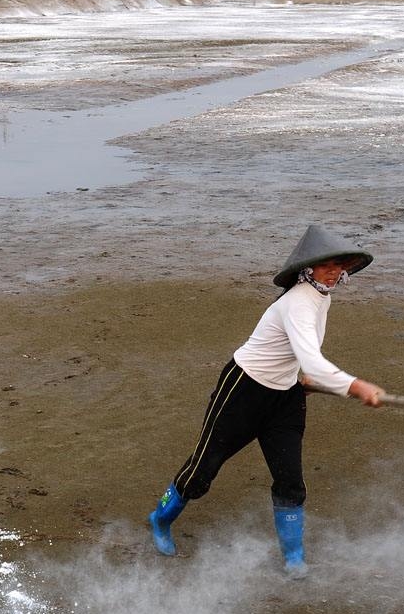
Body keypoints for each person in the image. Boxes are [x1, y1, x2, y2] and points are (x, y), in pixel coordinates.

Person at [148, 224, 385, 577]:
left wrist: (313, 381)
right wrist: (355, 386)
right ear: (308, 268)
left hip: (284, 398)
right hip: (243, 390)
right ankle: (160, 518)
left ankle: (294, 557)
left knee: (290, 480)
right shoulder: (298, 301)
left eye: (339, 266)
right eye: (326, 265)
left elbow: (306, 353)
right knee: (201, 471)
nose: (334, 273)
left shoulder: (321, 297)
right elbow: (313, 360)